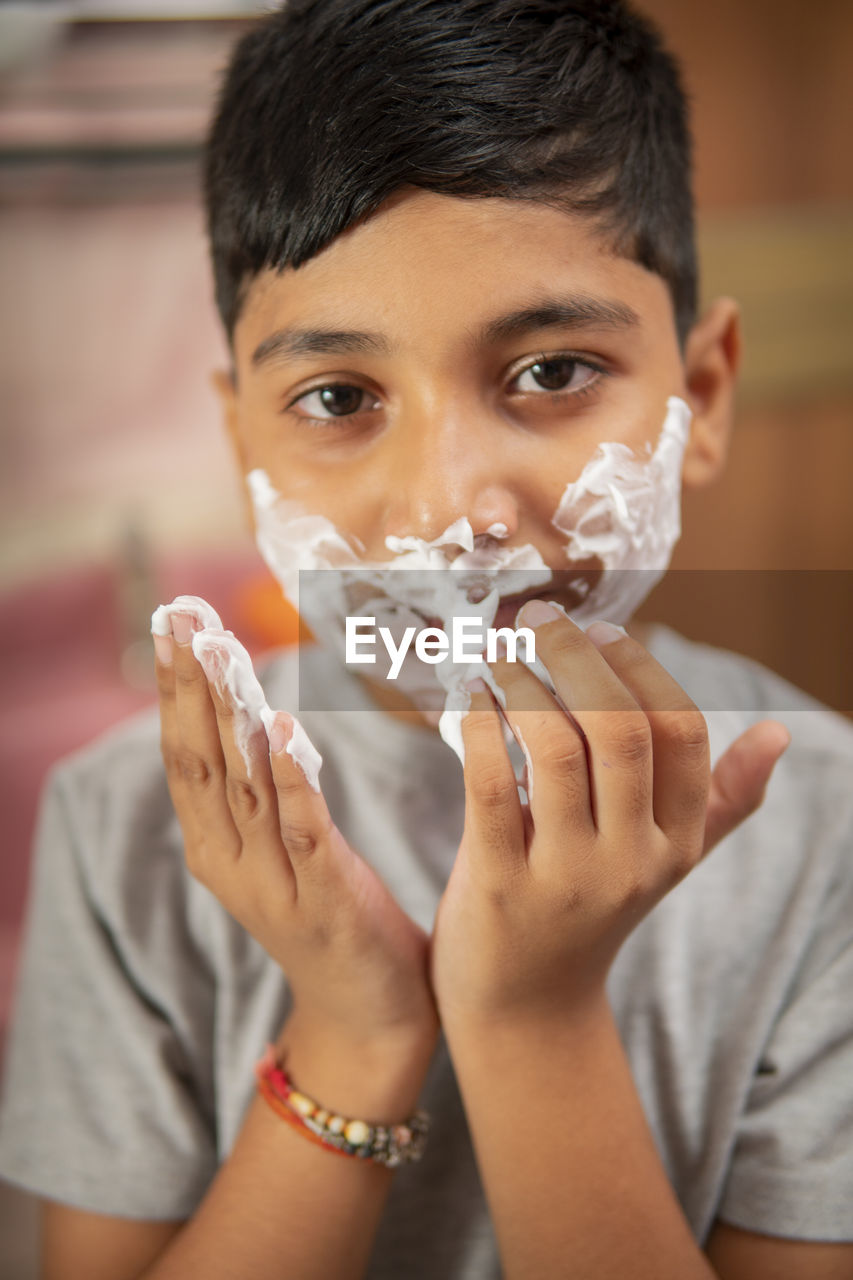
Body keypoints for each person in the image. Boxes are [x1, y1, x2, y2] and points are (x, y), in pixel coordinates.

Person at [1, 2, 852, 1277]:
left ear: (704, 394)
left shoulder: (825, 826)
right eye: (339, 397)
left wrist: (530, 1015)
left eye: (554, 371)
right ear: (244, 447)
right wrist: (351, 1027)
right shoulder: (126, 824)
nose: (454, 508)